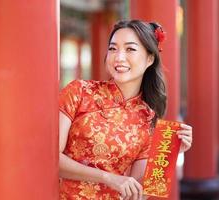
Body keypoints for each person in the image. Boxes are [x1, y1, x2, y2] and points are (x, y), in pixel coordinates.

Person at [58, 20, 193, 200]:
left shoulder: (148, 118)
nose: (119, 57)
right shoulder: (79, 92)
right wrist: (108, 178)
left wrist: (170, 154)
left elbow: (139, 195)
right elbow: (50, 158)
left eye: (130, 49)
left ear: (149, 59)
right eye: (113, 49)